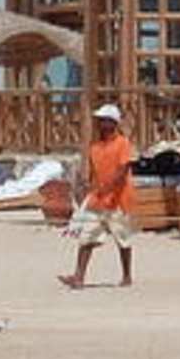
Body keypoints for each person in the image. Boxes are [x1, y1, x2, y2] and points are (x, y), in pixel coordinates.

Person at [60, 104, 137, 289]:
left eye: (104, 120)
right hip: (97, 200)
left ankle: (127, 275)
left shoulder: (123, 144)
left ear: (113, 123)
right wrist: (86, 188)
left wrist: (107, 188)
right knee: (86, 237)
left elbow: (122, 171)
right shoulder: (94, 147)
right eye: (100, 121)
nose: (101, 124)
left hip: (119, 200)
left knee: (123, 239)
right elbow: (93, 174)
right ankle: (79, 277)